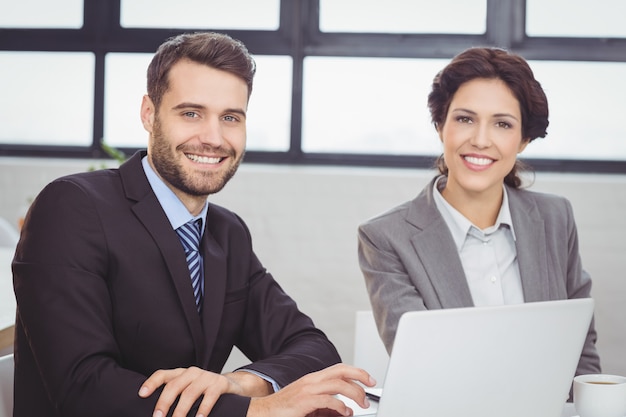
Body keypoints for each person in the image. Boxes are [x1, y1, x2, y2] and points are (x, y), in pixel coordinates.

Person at [12, 32, 374, 417]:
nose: (213, 138)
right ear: (149, 114)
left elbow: (312, 348)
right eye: (191, 113)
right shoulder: (73, 207)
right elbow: (83, 387)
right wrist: (254, 410)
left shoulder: (226, 232)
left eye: (230, 118)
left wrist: (239, 382)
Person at [357, 47, 601, 381]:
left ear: (524, 139)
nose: (481, 140)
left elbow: (581, 349)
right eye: (465, 119)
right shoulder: (386, 238)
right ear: (441, 126)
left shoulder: (556, 218)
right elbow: (423, 363)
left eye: (502, 124)